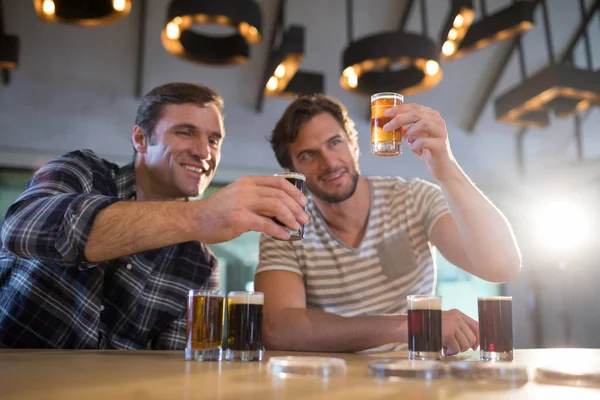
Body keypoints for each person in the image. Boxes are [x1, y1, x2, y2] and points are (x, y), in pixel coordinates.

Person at [0, 82, 308, 349]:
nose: (204, 152)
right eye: (186, 133)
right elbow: (20, 231)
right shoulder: (82, 172)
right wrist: (201, 215)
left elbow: (176, 369)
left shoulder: (200, 265)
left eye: (214, 140)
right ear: (140, 139)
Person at [255, 94, 522, 354]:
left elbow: (502, 266)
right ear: (293, 171)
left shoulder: (414, 199)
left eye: (335, 142)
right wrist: (411, 325)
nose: (329, 162)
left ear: (354, 144)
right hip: (332, 383)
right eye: (308, 155)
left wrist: (447, 169)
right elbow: (279, 329)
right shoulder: (287, 224)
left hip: (415, 373)